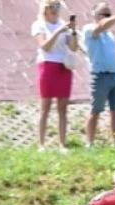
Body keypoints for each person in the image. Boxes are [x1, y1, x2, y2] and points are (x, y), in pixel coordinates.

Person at [32, 0, 81, 151]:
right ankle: (41, 144)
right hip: (47, 64)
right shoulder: (38, 25)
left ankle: (62, 144)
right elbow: (45, 46)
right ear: (45, 9)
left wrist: (72, 32)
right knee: (45, 107)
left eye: (57, 7)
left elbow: (73, 47)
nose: (55, 10)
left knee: (62, 108)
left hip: (63, 66)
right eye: (52, 7)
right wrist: (59, 31)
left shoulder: (62, 24)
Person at [82, 4, 115, 148]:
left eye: (109, 14)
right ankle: (89, 143)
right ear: (96, 15)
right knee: (95, 110)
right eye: (105, 14)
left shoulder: (110, 35)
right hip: (100, 76)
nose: (108, 18)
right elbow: (100, 27)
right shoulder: (89, 29)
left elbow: (114, 59)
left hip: (114, 76)